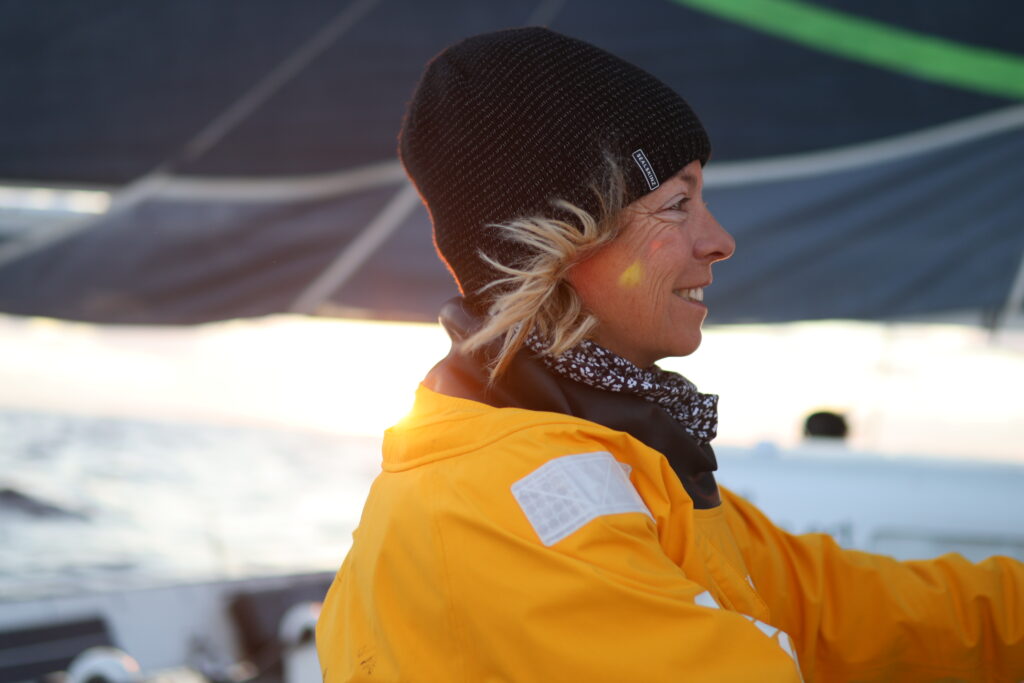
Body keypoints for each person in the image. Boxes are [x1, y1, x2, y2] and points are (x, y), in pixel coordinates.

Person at [316, 27, 1024, 682]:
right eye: (676, 204)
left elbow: (841, 610)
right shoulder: (500, 509)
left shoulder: (627, 463)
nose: (720, 241)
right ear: (561, 236)